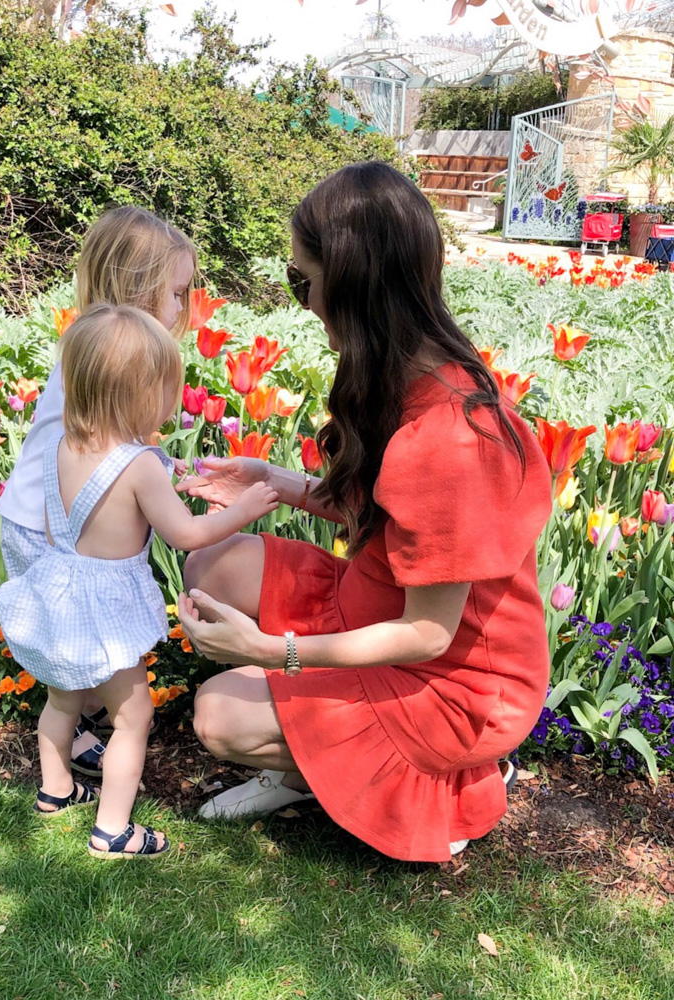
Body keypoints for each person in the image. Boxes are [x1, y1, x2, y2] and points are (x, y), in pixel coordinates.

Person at [176, 161, 553, 862]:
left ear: (351, 283)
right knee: (213, 565)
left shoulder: (450, 439)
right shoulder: (403, 369)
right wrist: (273, 481)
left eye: (302, 280)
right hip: (370, 606)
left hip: (456, 683)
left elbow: (428, 636)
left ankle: (462, 780)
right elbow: (382, 519)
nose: (302, 301)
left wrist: (271, 654)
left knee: (221, 716)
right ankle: (317, 759)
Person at [0, 305, 279, 859]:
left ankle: (56, 790)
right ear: (136, 395)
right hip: (105, 609)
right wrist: (243, 508)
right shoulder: (139, 466)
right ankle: (113, 830)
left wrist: (164, 469)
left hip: (61, 590)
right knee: (134, 717)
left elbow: (78, 515)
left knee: (63, 701)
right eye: (167, 389)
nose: (173, 401)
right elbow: (185, 536)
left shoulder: (66, 446)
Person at [0, 206, 197, 775]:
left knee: (80, 640)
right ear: (138, 289)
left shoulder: (101, 347)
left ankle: (73, 727)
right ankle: (80, 731)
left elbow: (119, 449)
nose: (182, 307)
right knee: (75, 635)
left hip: (48, 514)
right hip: (48, 524)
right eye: (175, 293)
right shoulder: (107, 356)